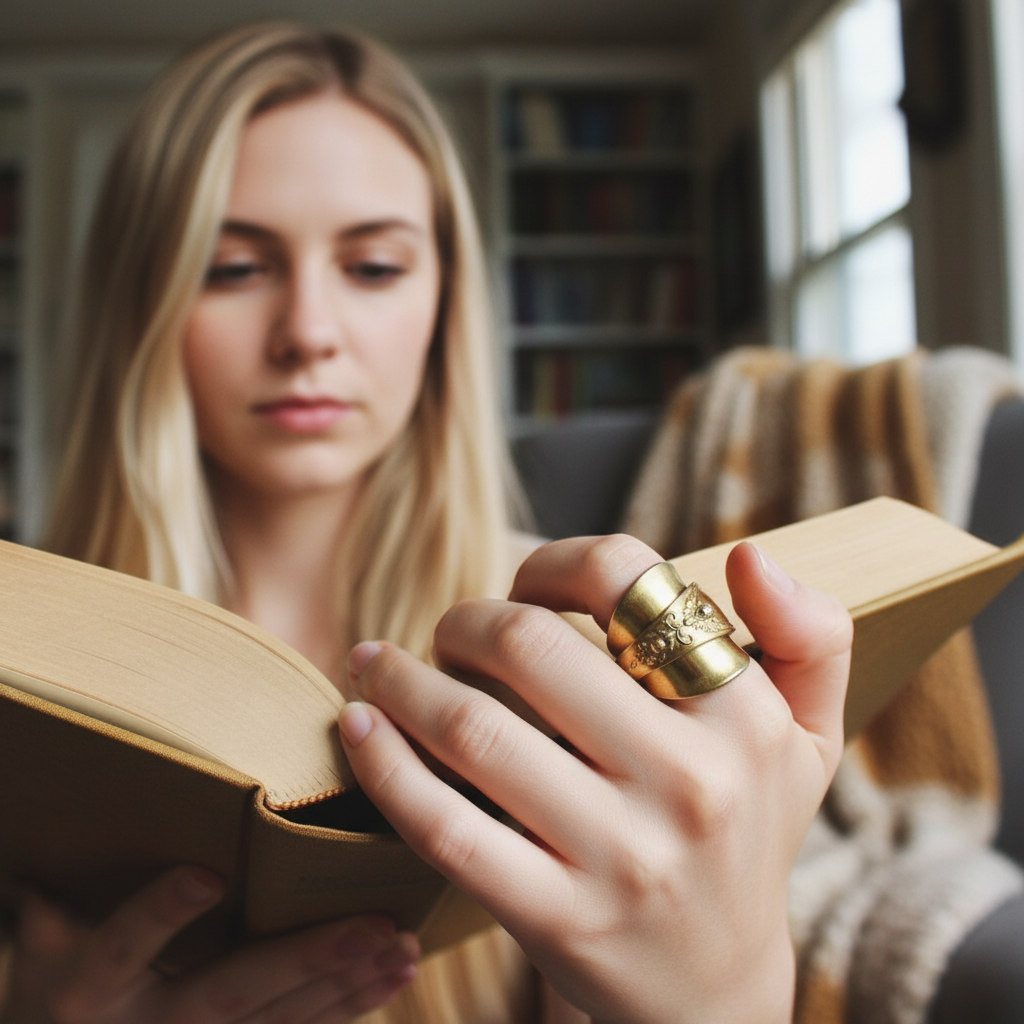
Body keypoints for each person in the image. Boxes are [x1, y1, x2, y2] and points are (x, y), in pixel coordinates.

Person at [0, 22, 852, 1024]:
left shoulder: (572, 653)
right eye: (232, 267)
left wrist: (724, 982)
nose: (309, 333)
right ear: (136, 303)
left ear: (445, 297)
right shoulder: (28, 651)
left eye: (372, 268)